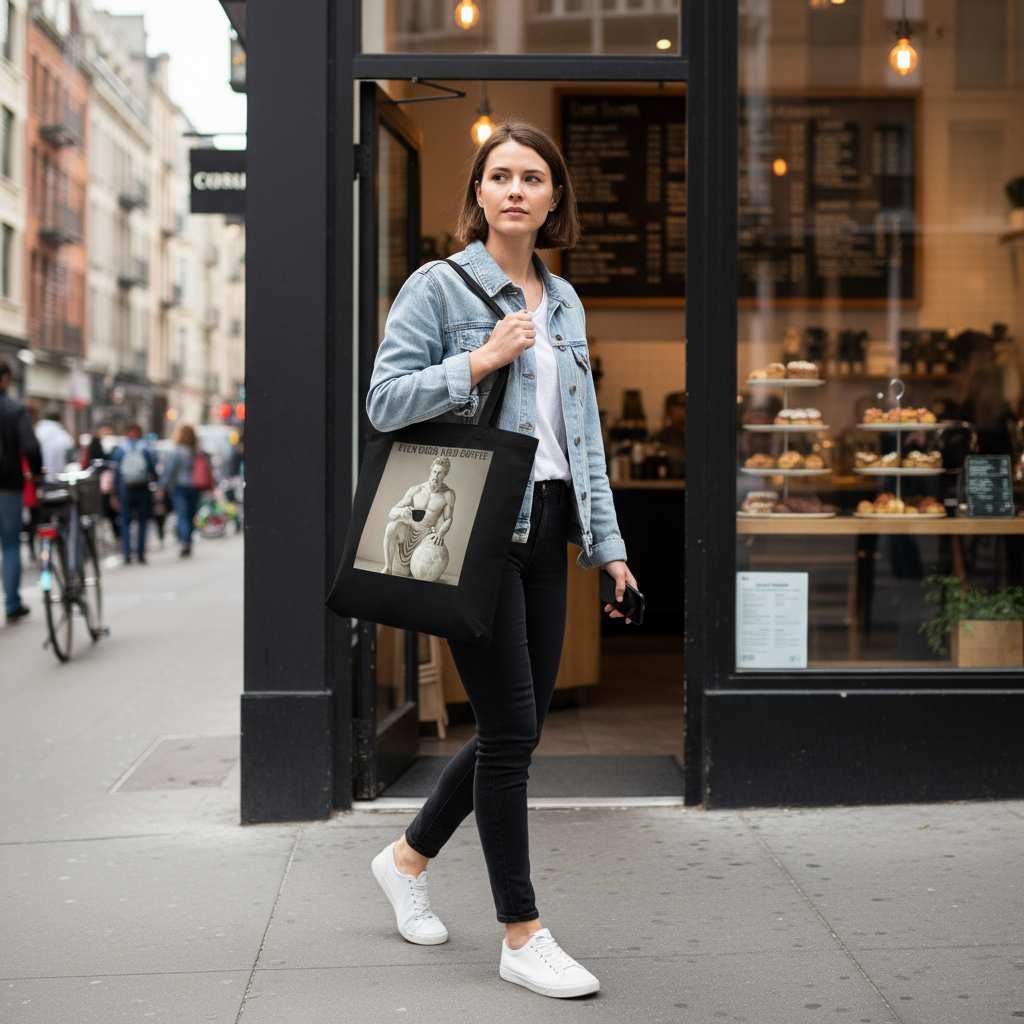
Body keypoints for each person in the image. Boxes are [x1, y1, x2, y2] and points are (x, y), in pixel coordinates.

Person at [366, 120, 638, 999]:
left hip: (550, 525)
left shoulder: (565, 302)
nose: (516, 190)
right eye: (500, 176)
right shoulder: (438, 288)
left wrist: (611, 547)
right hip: (477, 530)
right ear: (478, 195)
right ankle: (521, 931)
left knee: (514, 729)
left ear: (555, 198)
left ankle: (406, 859)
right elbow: (384, 403)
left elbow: (582, 437)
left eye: (533, 177)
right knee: (515, 732)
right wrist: (479, 359)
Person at [0, 358, 43, 621]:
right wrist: (36, 475)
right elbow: (32, 447)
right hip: (7, 487)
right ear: (4, 379)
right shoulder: (14, 410)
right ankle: (12, 603)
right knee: (10, 545)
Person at [111, 423, 156, 564]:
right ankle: (141, 554)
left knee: (125, 523)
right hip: (142, 489)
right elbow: (152, 470)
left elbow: (114, 471)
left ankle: (127, 554)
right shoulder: (145, 448)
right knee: (142, 522)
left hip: (125, 490)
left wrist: (115, 492)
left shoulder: (120, 449)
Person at [159, 424, 199, 557]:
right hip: (194, 486)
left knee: (183, 516)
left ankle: (184, 542)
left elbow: (170, 470)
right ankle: (187, 541)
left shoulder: (177, 451)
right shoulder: (196, 451)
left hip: (180, 487)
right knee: (190, 516)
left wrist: (162, 487)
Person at [35, 410, 75, 479]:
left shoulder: (37, 432)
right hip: (58, 477)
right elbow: (71, 456)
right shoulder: (64, 435)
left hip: (40, 477)